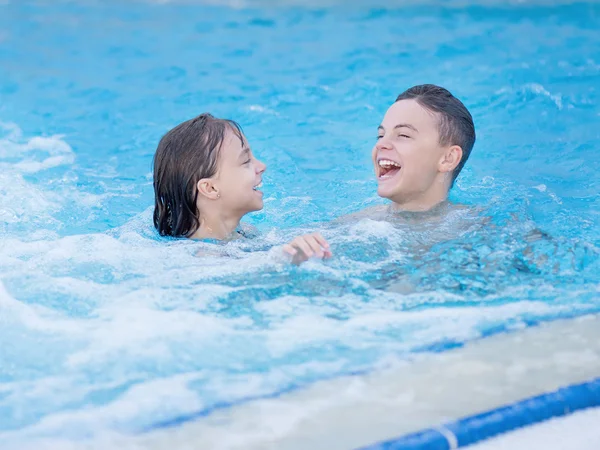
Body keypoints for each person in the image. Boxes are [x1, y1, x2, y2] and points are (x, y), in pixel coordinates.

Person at [152, 113, 331, 262]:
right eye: (246, 161)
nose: (261, 166)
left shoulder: (241, 232)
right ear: (210, 188)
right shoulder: (204, 258)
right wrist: (285, 260)